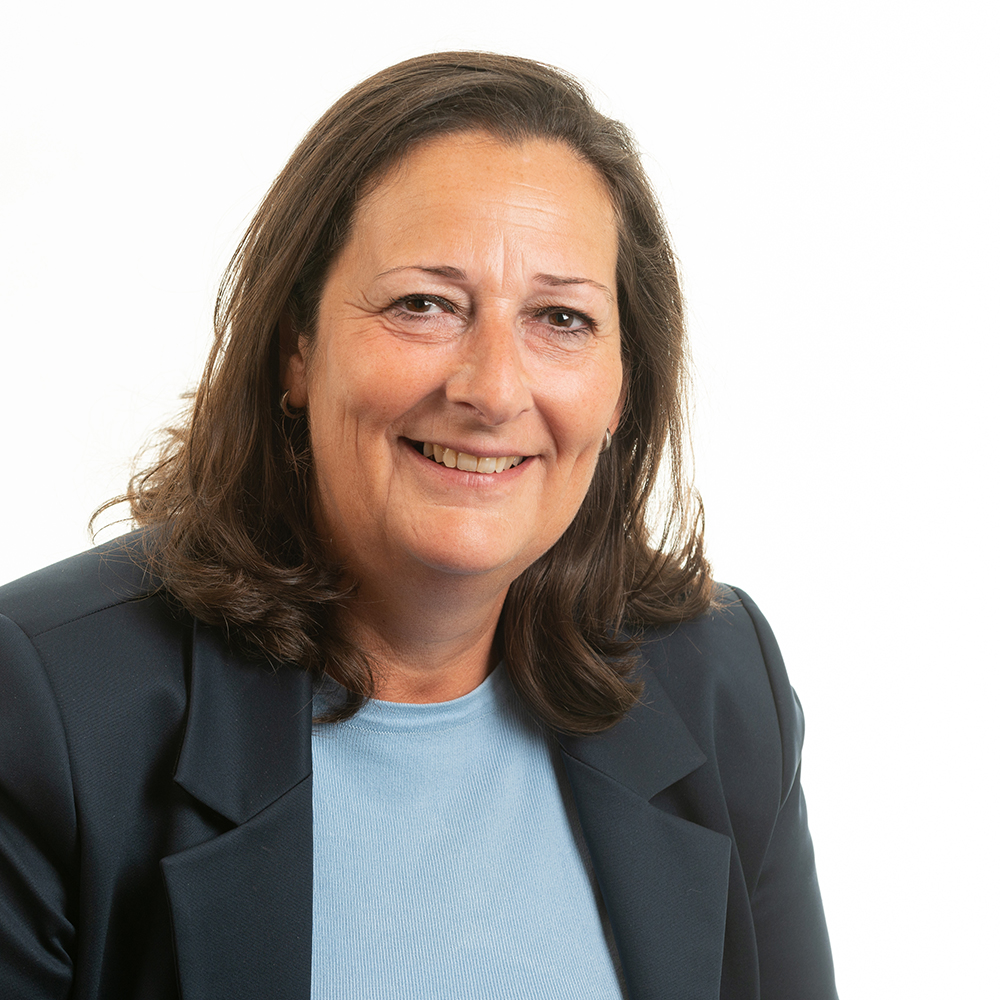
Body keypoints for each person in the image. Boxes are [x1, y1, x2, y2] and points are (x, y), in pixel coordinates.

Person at [0, 51, 837, 999]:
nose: (493, 389)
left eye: (561, 319)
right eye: (424, 305)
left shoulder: (720, 680)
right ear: (296, 347)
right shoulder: (43, 709)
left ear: (621, 390)